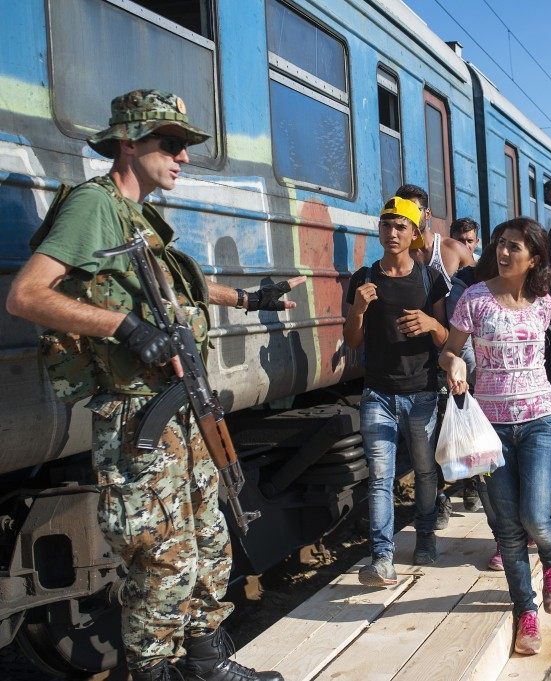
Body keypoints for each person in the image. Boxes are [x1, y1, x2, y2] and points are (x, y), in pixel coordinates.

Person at [5, 91, 298, 681]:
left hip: (182, 409)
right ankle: (152, 671)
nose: (183, 157)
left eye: (185, 146)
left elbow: (176, 292)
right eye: (170, 144)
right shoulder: (94, 206)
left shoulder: (139, 218)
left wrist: (247, 298)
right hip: (140, 416)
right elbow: (26, 295)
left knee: (208, 542)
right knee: (161, 558)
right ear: (128, 143)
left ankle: (208, 663)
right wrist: (123, 326)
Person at [441, 217, 551, 655]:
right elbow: (449, 350)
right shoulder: (474, 298)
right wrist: (454, 365)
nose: (504, 252)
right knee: (508, 529)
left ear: (533, 257)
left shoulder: (543, 301)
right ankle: (525, 613)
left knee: (536, 514)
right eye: (501, 244)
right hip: (489, 426)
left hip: (538, 419)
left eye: (515, 247)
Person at [344, 196, 449, 585]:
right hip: (378, 395)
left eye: (400, 226)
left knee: (424, 470)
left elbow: (447, 339)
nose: (392, 232)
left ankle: (424, 533)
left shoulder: (430, 279)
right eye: (386, 225)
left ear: (414, 233)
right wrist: (357, 309)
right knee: (380, 476)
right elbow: (353, 341)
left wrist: (429, 324)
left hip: (422, 392)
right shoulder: (364, 279)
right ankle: (382, 557)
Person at [395, 184, 475, 528]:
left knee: (467, 417)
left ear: (426, 215)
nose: (410, 221)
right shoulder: (401, 257)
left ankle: (473, 482)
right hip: (421, 355)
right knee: (435, 431)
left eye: (415, 213)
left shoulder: (453, 250)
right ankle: (441, 499)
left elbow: (482, 291)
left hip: (459, 349)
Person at [395, 183, 475, 290]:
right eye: (404, 211)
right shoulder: (398, 254)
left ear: (427, 214)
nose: (409, 216)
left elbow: (479, 291)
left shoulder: (455, 249)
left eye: (414, 209)